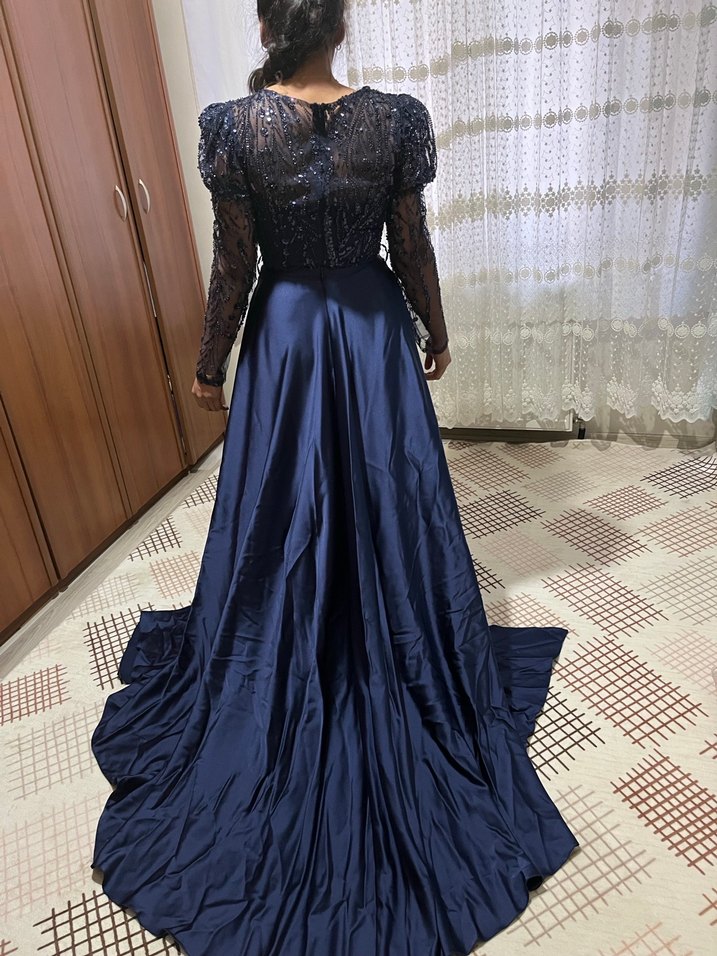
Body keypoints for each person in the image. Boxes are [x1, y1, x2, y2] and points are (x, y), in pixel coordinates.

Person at [90, 1, 579, 953]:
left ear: (267, 23)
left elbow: (235, 264)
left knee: (280, 504)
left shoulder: (233, 128)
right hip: (370, 329)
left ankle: (293, 626)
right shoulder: (394, 120)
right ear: (339, 25)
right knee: (389, 491)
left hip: (286, 337)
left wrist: (208, 364)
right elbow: (411, 244)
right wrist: (436, 326)